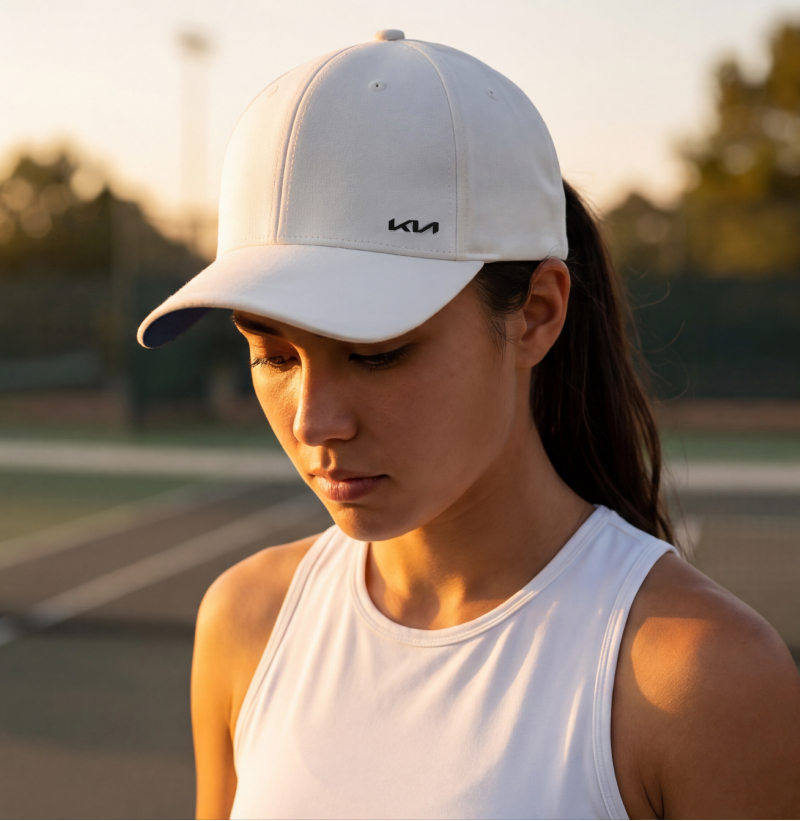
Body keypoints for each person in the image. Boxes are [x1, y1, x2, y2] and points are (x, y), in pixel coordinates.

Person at [138, 31, 800, 820]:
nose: (315, 421)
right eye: (273, 355)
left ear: (537, 314)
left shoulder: (704, 682)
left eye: (376, 353)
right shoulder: (245, 621)